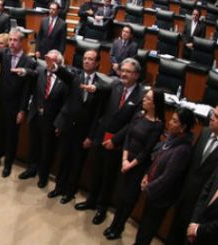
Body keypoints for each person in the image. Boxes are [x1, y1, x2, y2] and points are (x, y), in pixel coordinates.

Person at [73, 58, 144, 225]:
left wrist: (115, 140)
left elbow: (133, 124)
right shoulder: (115, 84)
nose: (123, 74)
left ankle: (102, 208)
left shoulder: (141, 95)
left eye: (128, 71)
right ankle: (91, 200)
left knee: (108, 177)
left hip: (118, 143)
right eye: (122, 70)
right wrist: (95, 88)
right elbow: (102, 95)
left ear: (136, 75)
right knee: (96, 171)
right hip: (101, 136)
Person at [30, 50, 101, 194]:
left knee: (77, 163)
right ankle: (58, 188)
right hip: (68, 127)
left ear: (97, 63)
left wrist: (91, 136)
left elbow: (98, 114)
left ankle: (70, 191)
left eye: (90, 59)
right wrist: (55, 67)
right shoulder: (75, 77)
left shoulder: (101, 85)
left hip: (84, 131)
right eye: (85, 58)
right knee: (63, 160)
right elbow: (67, 99)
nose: (86, 61)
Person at [167, 101, 218, 244]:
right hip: (184, 196)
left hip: (200, 208)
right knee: (172, 237)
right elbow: (191, 164)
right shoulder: (205, 132)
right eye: (213, 114)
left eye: (216, 117)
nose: (211, 118)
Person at [102, 88, 166, 240]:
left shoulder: (158, 125)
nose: (144, 99)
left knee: (129, 199)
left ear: (155, 104)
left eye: (148, 98)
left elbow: (146, 150)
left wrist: (130, 165)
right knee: (120, 195)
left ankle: (119, 227)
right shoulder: (138, 115)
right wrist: (124, 159)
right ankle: (113, 225)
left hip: (138, 166)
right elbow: (128, 138)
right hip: (126, 160)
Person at [0, 28, 37, 177]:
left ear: (22, 42)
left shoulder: (29, 61)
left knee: (11, 137)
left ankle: (8, 164)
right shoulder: (5, 54)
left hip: (14, 105)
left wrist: (22, 110)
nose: (11, 43)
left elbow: (27, 89)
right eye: (10, 40)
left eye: (15, 40)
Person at [133, 107, 196, 245]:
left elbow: (168, 177)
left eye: (175, 121)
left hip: (160, 196)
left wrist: (149, 187)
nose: (170, 123)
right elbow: (157, 159)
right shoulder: (172, 139)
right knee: (143, 226)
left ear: (183, 127)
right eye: (171, 119)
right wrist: (146, 175)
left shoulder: (182, 150)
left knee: (148, 229)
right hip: (152, 189)